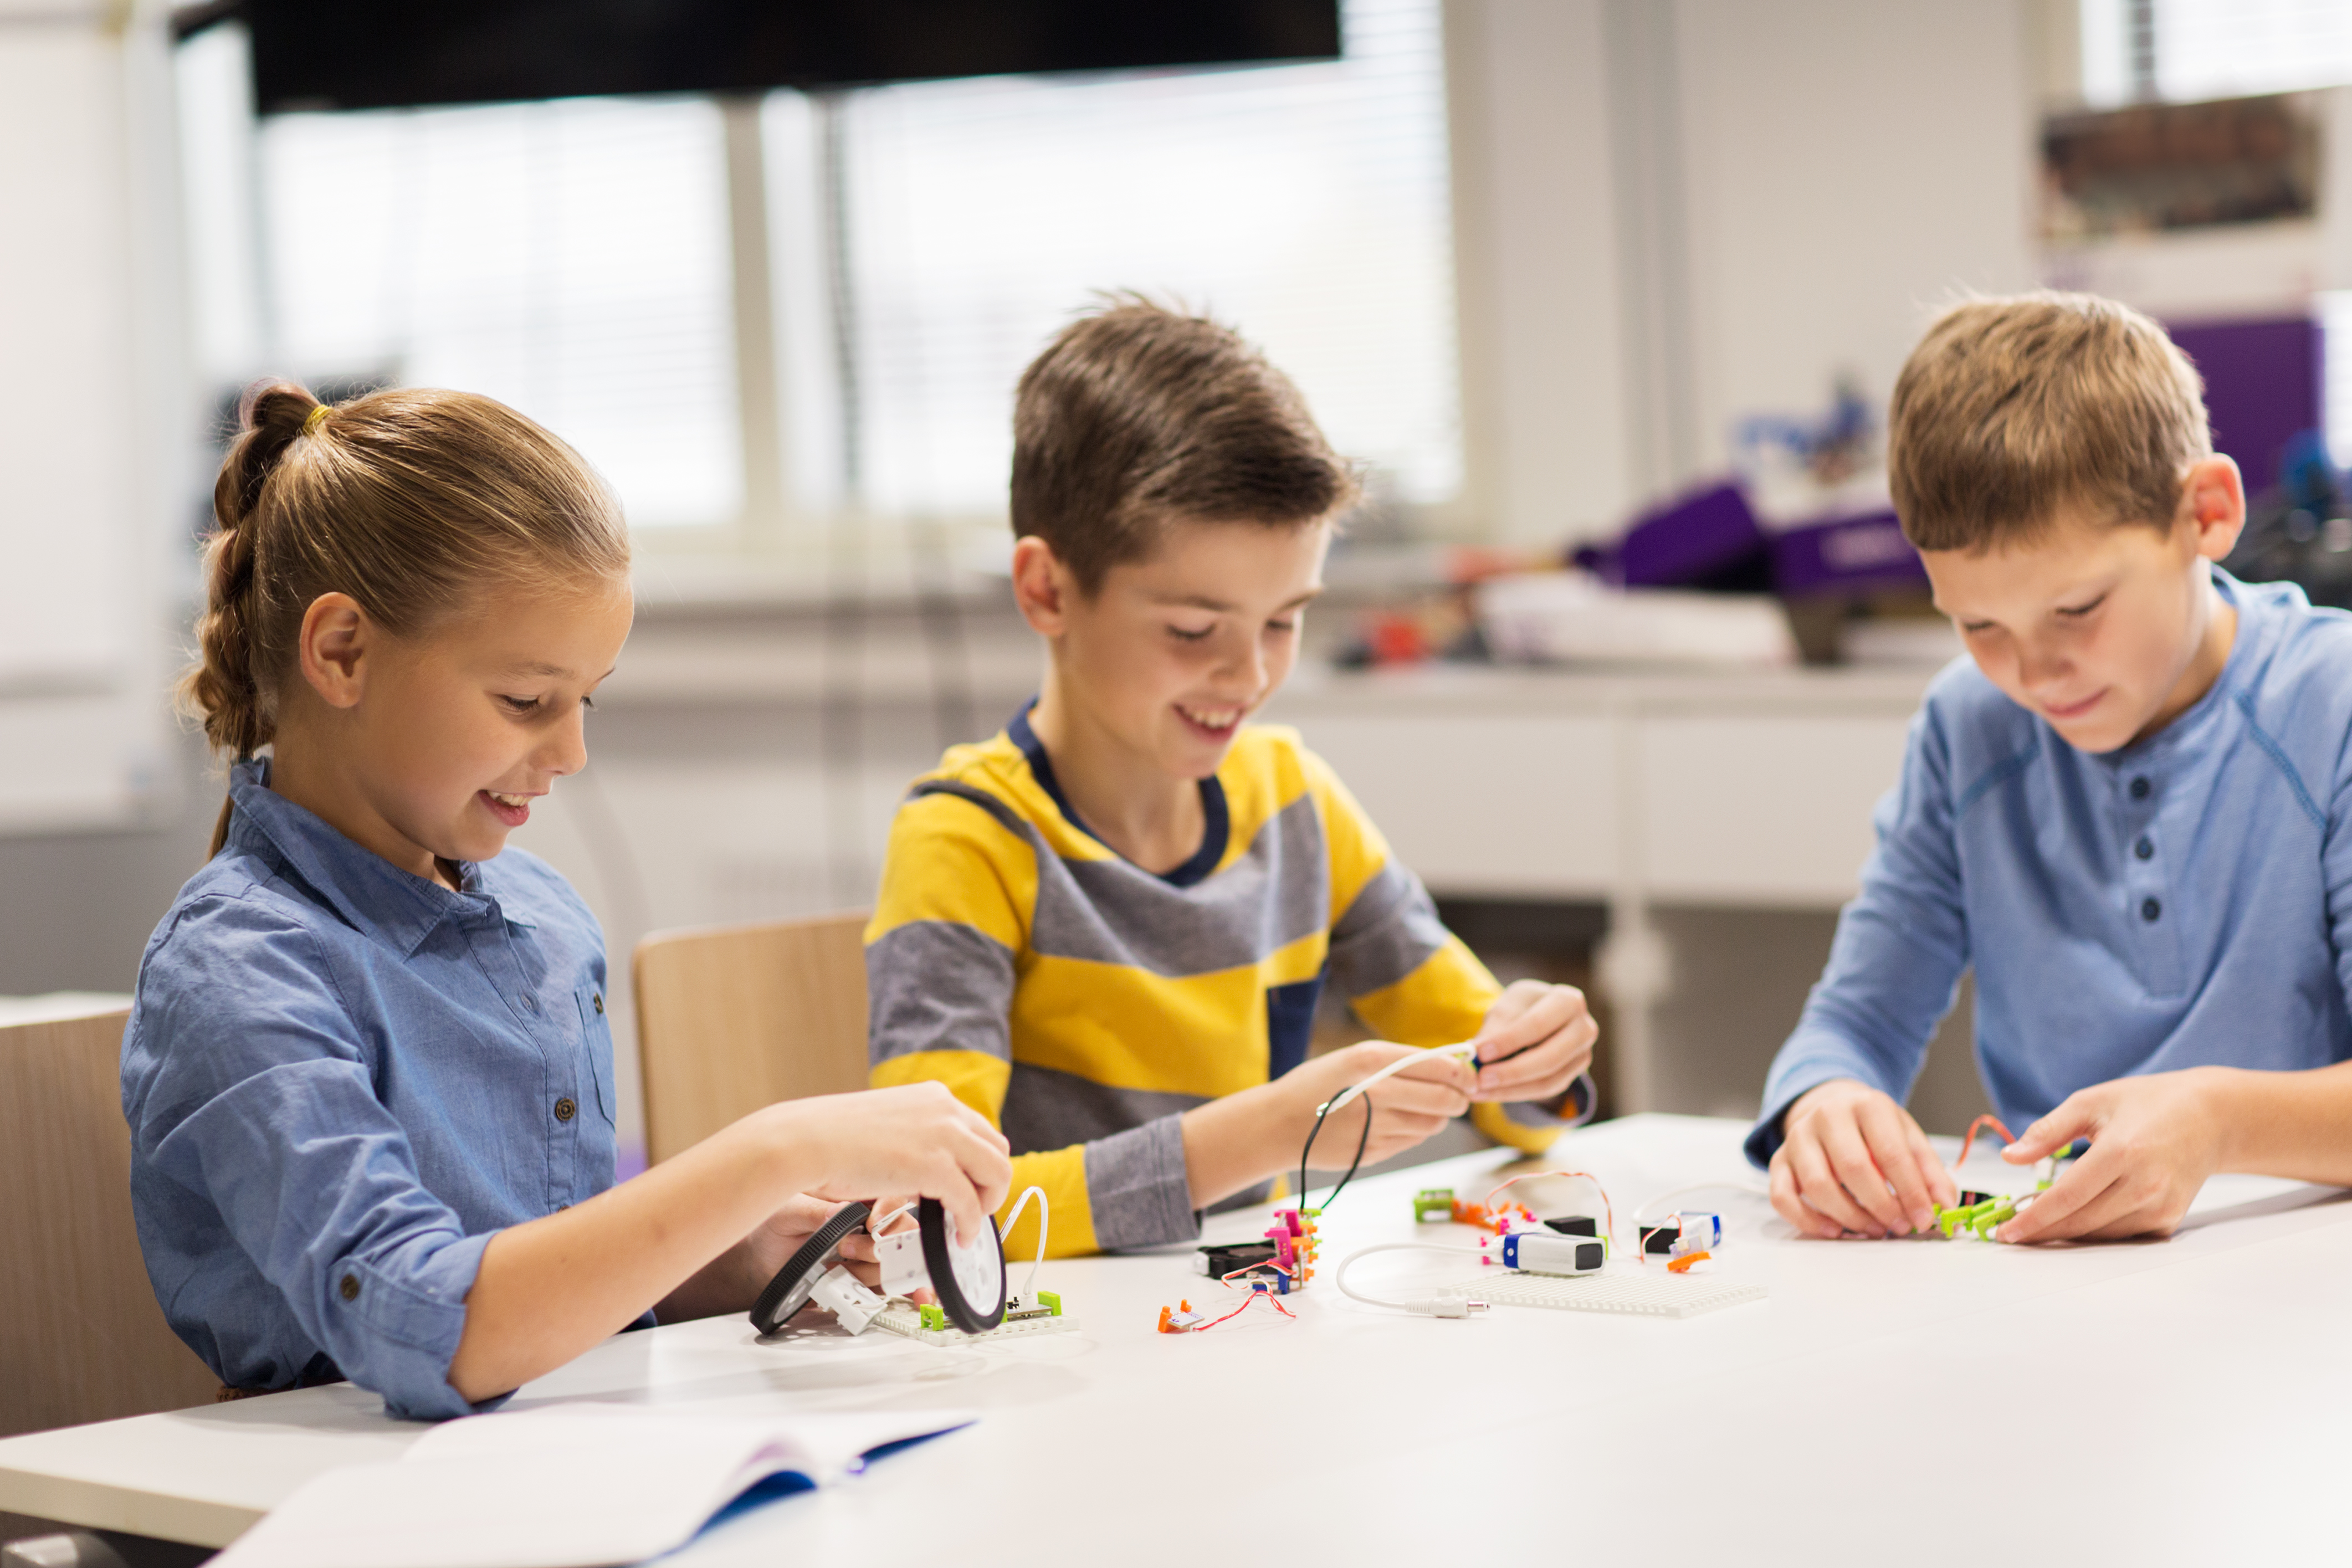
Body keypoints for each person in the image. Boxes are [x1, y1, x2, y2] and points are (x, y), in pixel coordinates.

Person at [125, 383, 1011, 1421]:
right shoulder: (236, 969)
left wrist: (736, 1254)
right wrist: (779, 1147)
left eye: (583, 699)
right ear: (341, 652)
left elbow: (549, 1264)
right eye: (524, 700)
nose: (571, 751)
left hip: (568, 1456)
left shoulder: (542, 918)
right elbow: (431, 1326)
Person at [864, 299, 1599, 1259]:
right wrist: (1265, 1129)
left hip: (1239, 1334)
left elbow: (1519, 1109)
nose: (1249, 677)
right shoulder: (966, 844)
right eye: (1192, 630)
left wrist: (1530, 1055)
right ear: (1046, 590)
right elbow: (931, 1216)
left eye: (1284, 621)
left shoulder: (1292, 800)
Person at [1750, 291, 2352, 1244]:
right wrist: (1824, 1104)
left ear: (2206, 512)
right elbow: (1854, 1022)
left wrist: (2217, 1122)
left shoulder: (2332, 704)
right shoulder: (1968, 726)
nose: (2031, 674)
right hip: (2059, 1284)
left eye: (2076, 609)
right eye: (1978, 624)